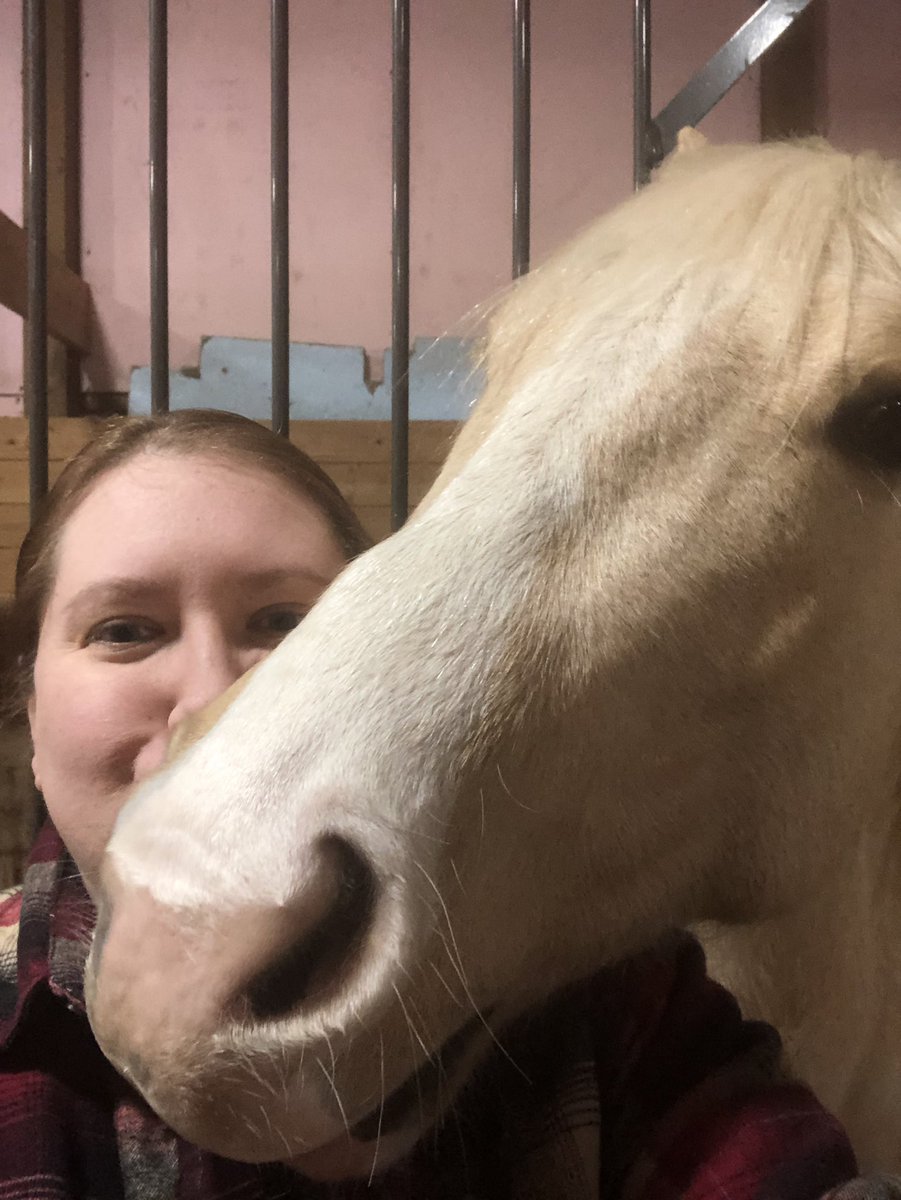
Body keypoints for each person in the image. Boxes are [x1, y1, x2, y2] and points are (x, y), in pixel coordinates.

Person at [0, 408, 890, 1200]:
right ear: (30, 713)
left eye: (286, 623)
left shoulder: (611, 1001)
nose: (210, 704)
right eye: (124, 630)